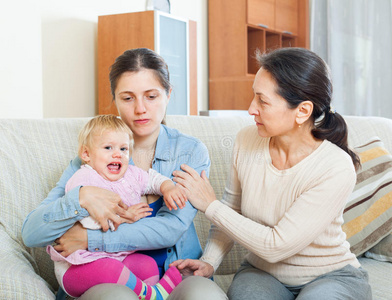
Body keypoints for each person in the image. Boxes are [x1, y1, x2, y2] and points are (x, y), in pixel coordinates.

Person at [21, 48, 227, 300]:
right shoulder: (88, 162)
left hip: (175, 275)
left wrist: (90, 238)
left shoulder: (189, 152)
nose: (140, 109)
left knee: (204, 296)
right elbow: (32, 234)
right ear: (115, 100)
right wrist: (81, 198)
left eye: (151, 96)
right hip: (105, 279)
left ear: (168, 94)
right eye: (128, 98)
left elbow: (171, 229)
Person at [171, 47, 373, 299]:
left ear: (302, 111)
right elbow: (231, 210)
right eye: (253, 96)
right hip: (261, 273)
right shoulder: (247, 139)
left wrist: (209, 205)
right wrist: (210, 260)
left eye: (262, 101)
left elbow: (276, 246)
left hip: (331, 276)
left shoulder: (335, 166)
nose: (251, 109)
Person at [47, 114, 185, 299]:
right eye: (108, 148)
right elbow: (88, 222)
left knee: (145, 263)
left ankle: (147, 294)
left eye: (123, 148)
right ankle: (154, 295)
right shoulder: (83, 180)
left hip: (117, 256)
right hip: (78, 267)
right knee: (111, 268)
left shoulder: (131, 174)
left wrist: (167, 187)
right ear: (86, 154)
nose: (117, 154)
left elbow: (152, 179)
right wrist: (124, 216)